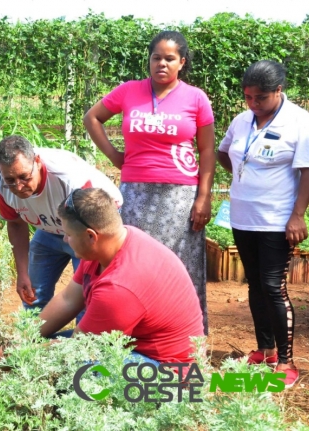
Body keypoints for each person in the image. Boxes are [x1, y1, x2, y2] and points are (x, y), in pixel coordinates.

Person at [83, 30, 215, 334]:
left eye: (170, 59)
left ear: (182, 62)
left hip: (180, 196)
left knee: (181, 266)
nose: (162, 64)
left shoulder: (195, 98)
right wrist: (116, 156)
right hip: (136, 194)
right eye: (156, 57)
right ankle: (130, 333)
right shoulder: (129, 91)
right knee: (130, 263)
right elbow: (92, 118)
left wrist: (203, 197)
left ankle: (187, 338)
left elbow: (207, 149)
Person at [217, 60, 309, 388]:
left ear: (278, 91)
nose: (253, 104)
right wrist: (246, 181)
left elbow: (308, 170)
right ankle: (265, 350)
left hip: (277, 220)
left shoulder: (300, 122)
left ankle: (287, 362)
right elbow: (224, 153)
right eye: (247, 97)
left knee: (274, 287)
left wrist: (298, 215)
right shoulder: (242, 120)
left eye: (260, 98)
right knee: (255, 285)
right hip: (243, 217)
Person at [39, 188, 204, 364]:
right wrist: (22, 339)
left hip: (169, 371)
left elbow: (77, 348)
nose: (65, 239)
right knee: (43, 343)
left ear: (91, 236)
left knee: (74, 365)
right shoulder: (110, 244)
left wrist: (20, 354)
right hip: (134, 348)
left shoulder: (119, 286)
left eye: (69, 234)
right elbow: (68, 299)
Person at [0, 135, 123, 313]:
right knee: (33, 292)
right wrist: (22, 273)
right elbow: (16, 224)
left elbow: (95, 228)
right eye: (10, 180)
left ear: (37, 162)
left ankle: (84, 339)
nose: (18, 186)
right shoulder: (0, 183)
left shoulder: (69, 179)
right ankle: (33, 338)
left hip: (90, 228)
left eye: (24, 177)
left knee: (86, 295)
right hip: (50, 228)